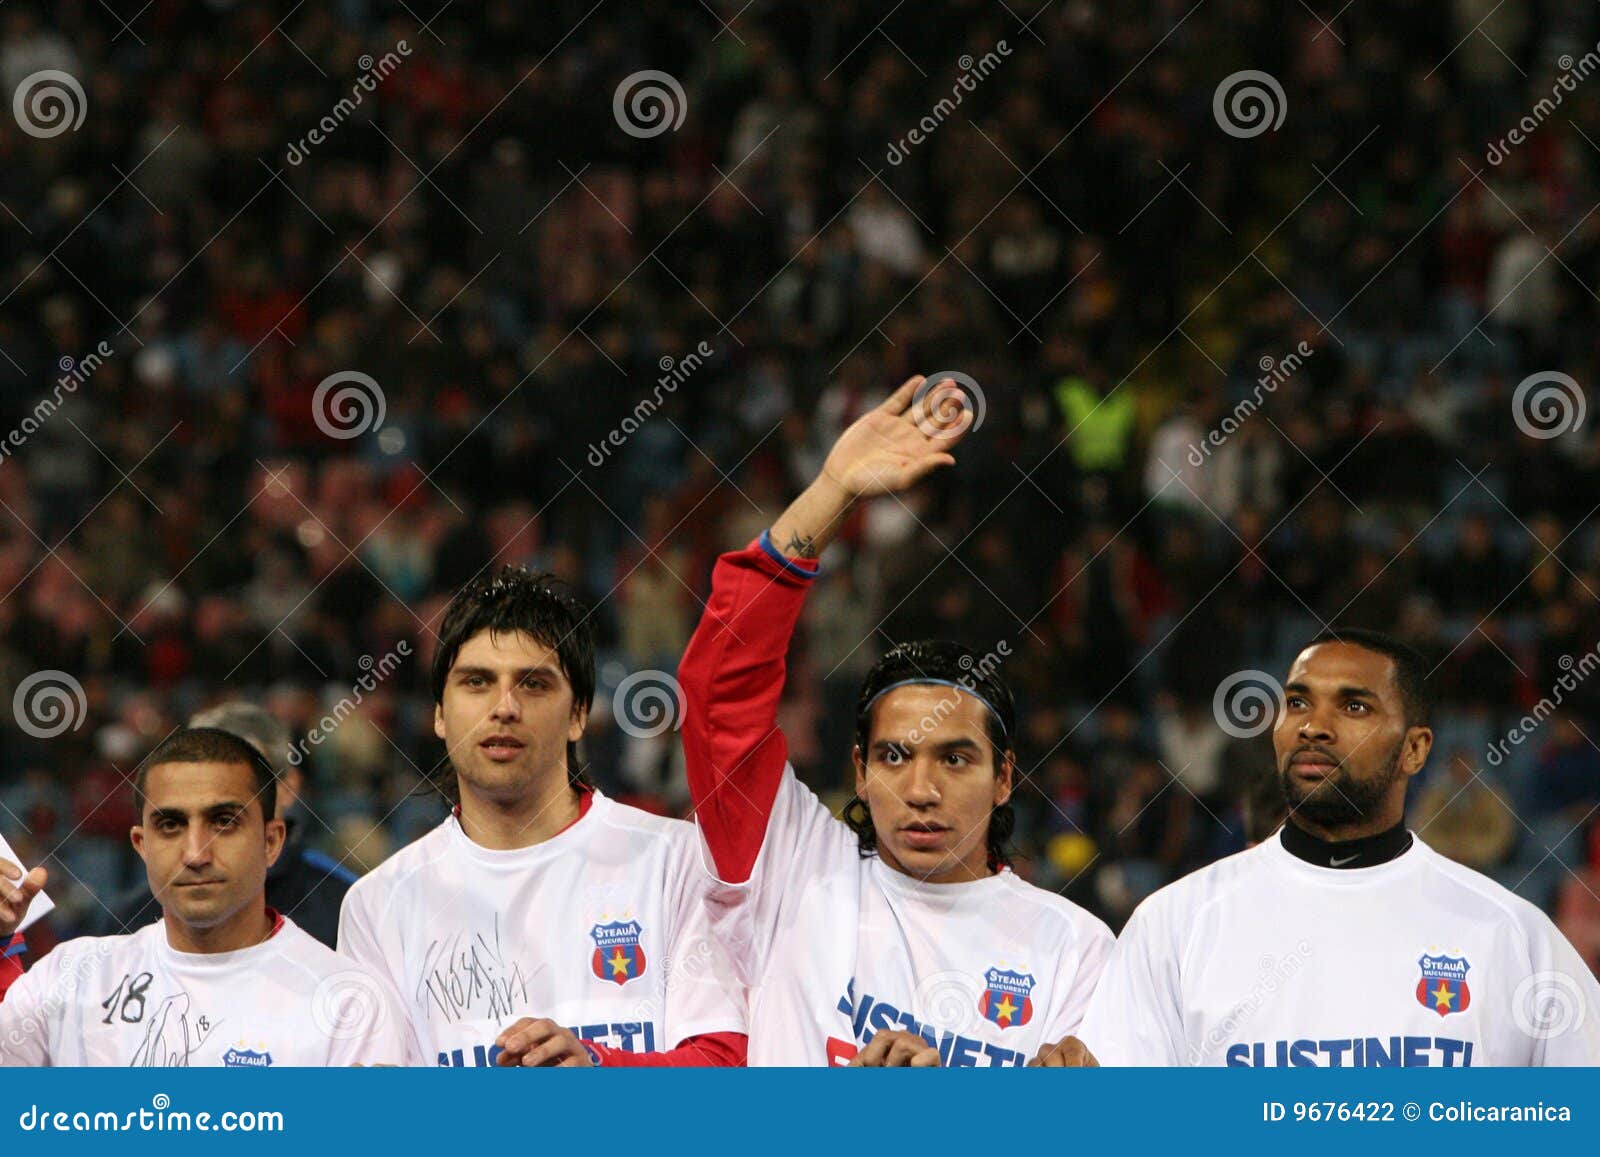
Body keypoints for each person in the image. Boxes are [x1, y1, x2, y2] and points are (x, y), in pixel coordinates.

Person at [680, 375, 1111, 1067]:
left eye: (956, 758)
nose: (921, 787)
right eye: (894, 756)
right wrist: (833, 492)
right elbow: (717, 693)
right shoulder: (791, 866)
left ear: (1005, 777)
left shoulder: (1077, 951)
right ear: (860, 767)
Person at [1079, 629, 1600, 1066]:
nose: (1314, 727)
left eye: (1354, 705)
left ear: (1415, 749)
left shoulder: (1511, 934)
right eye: (1299, 702)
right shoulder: (1174, 924)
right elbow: (1122, 1124)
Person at [337, 566, 745, 1067]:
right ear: (440, 713)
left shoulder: (676, 861)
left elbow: (726, 1065)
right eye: (477, 682)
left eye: (533, 684)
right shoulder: (379, 905)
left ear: (578, 716)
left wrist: (599, 1074)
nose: (504, 707)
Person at [0, 727, 412, 1066]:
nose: (196, 853)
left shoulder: (350, 1003)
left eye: (224, 821)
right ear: (141, 845)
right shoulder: (67, 979)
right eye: (170, 825)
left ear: (272, 841)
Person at [95, 701, 356, 947]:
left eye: (225, 819)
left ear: (288, 787)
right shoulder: (127, 919)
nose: (197, 854)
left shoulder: (346, 907)